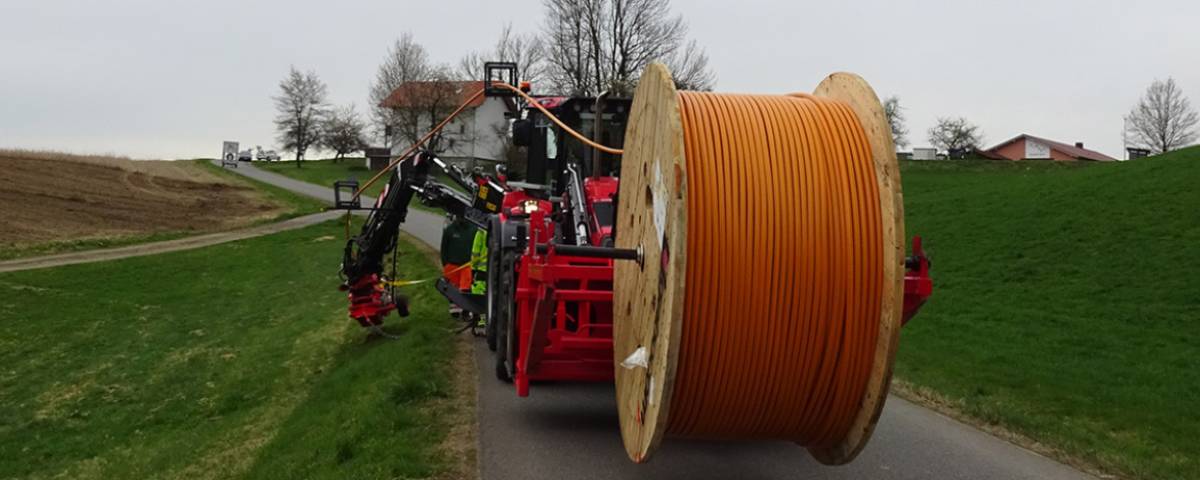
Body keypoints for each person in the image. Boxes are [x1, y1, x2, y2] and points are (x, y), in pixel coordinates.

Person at [439, 215, 476, 317]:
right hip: (452, 265)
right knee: (453, 290)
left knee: (465, 289)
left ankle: (466, 310)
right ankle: (454, 311)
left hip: (467, 266)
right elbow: (444, 249)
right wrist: (446, 264)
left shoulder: (474, 230)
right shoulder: (449, 230)